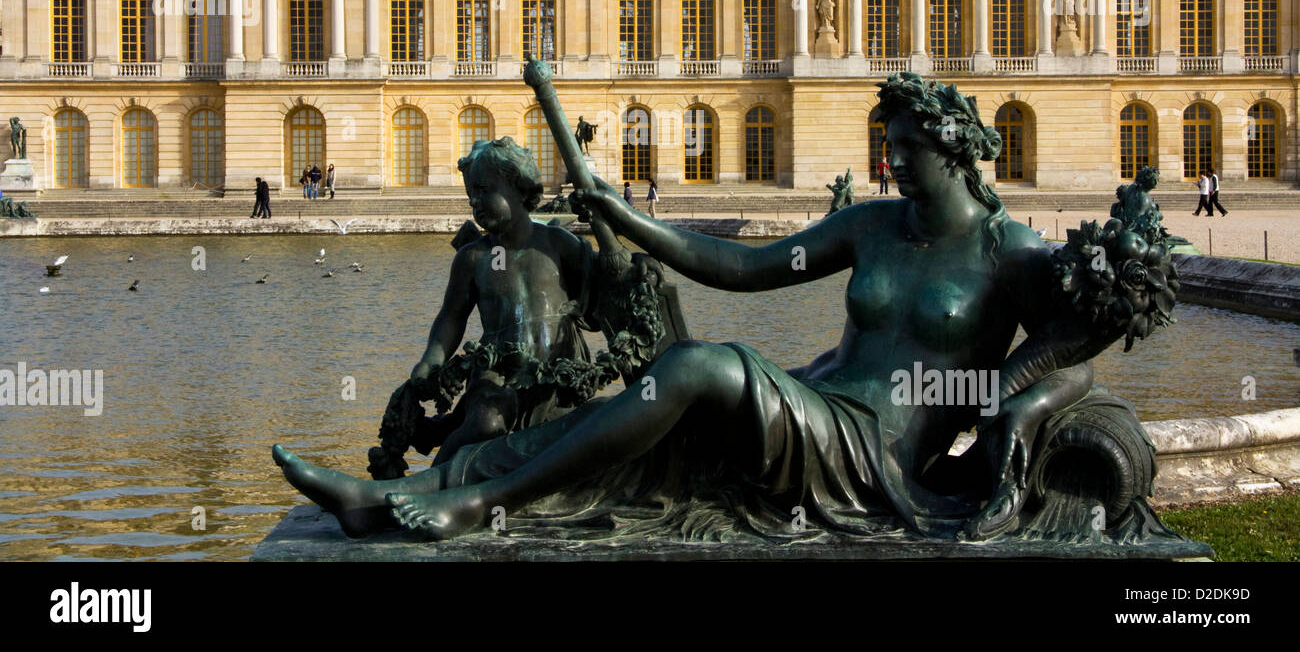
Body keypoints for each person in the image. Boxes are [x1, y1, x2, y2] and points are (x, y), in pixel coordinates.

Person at [274, 72, 1095, 542]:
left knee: (696, 366)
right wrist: (626, 216)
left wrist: (1017, 407)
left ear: (954, 148)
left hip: (872, 453)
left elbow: (1078, 344)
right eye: (888, 145)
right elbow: (738, 266)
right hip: (817, 405)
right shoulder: (873, 225)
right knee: (642, 407)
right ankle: (393, 493)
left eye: (907, 148)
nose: (890, 161)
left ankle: (473, 506)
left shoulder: (1009, 250)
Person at [401, 137, 596, 464]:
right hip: (497, 373)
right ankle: (435, 481)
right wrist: (430, 362)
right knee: (486, 424)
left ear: (520, 188)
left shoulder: (559, 244)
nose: (475, 203)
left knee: (591, 427)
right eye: (470, 196)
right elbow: (451, 319)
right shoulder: (473, 257)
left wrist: (637, 264)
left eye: (483, 191)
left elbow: (603, 284)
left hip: (558, 375)